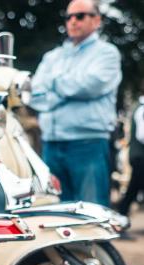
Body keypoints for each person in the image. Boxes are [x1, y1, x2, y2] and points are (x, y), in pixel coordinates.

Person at [29, 0, 122, 206]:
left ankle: (95, 240)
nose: (72, 21)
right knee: (54, 210)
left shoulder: (107, 53)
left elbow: (91, 85)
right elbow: (35, 95)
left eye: (79, 16)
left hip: (88, 143)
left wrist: (52, 84)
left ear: (96, 20)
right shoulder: (52, 56)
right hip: (51, 144)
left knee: (92, 211)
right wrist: (68, 89)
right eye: (68, 17)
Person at [116, 96, 144, 222]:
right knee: (133, 189)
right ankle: (120, 217)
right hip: (140, 157)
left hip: (138, 156)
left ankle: (121, 215)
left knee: (133, 189)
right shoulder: (142, 109)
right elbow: (142, 135)